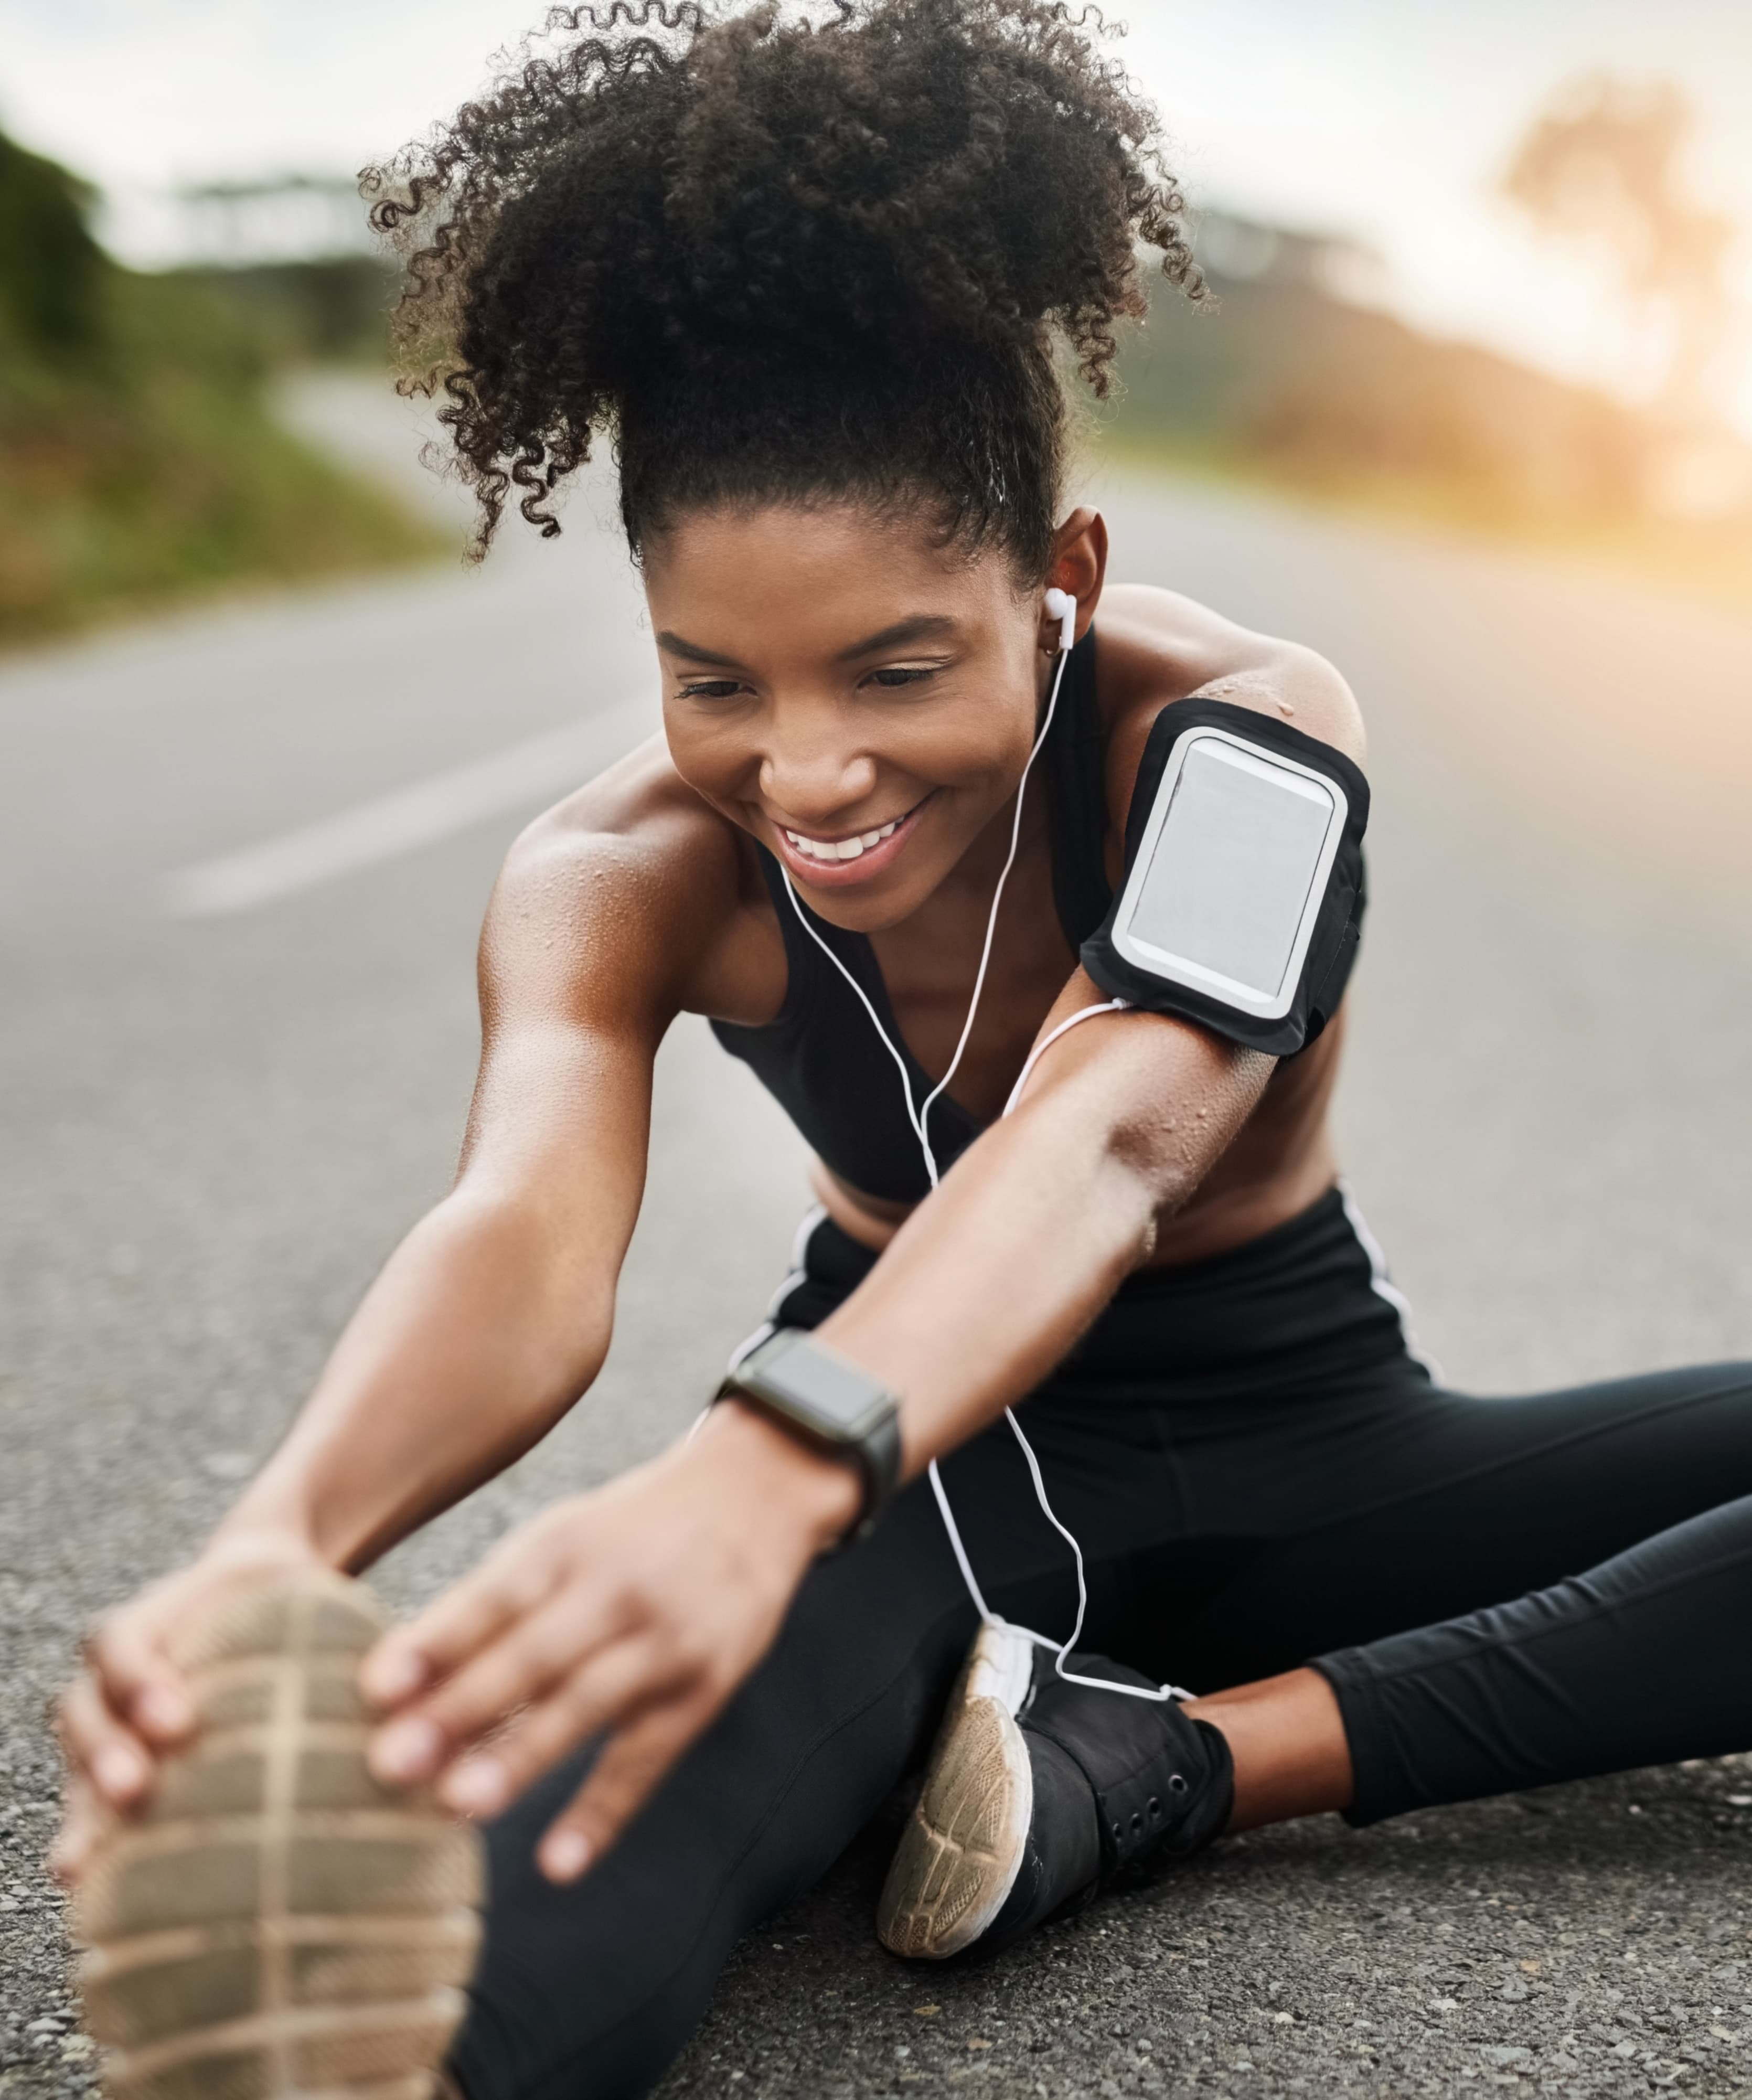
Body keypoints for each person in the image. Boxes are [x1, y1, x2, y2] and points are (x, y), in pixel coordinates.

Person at [52, 3, 1752, 2096]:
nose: (811, 766)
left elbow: (1121, 1128)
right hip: (936, 1474)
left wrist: (763, 1469)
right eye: (715, 680)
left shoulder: (1239, 738)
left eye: (896, 661)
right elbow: (520, 1227)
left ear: (1060, 580)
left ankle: (1183, 1755)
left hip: (1302, 1429)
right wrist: (276, 1543)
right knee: (501, 1910)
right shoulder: (615, 868)